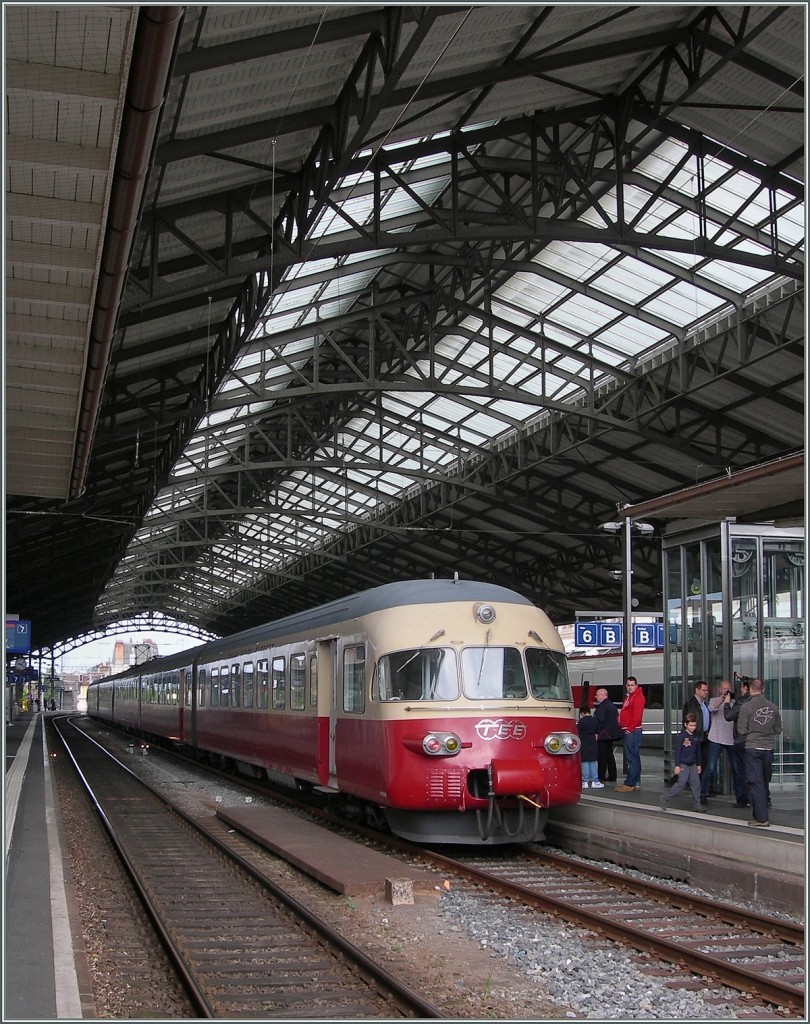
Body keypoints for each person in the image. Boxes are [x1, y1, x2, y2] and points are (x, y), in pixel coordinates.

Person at [736, 678, 782, 827]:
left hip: (753, 748)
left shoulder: (746, 707)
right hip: (768, 748)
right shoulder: (774, 707)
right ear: (763, 689)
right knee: (764, 782)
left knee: (755, 783)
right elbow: (778, 729)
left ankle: (762, 818)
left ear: (750, 689)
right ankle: (757, 815)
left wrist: (753, 729)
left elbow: (741, 730)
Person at [700, 679, 744, 805]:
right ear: (720, 690)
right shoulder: (714, 700)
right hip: (716, 738)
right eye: (724, 689)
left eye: (728, 689)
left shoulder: (735, 703)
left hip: (730, 739)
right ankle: (703, 794)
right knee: (710, 767)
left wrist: (729, 702)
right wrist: (723, 700)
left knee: (736, 769)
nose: (726, 691)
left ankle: (740, 796)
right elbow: (711, 709)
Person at [659, 713, 707, 813]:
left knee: (696, 784)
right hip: (684, 764)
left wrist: (698, 764)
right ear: (686, 725)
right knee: (681, 783)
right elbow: (678, 751)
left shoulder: (695, 737)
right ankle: (665, 797)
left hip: (693, 763)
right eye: (691, 725)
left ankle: (697, 804)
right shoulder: (681, 736)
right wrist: (677, 765)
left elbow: (698, 752)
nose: (693, 728)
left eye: (694, 725)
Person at [723, 678, 752, 806]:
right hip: (755, 741)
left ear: (746, 688)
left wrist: (727, 703)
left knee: (742, 771)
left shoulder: (742, 701)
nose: (740, 689)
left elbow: (729, 716)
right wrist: (742, 677)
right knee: (755, 770)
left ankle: (742, 798)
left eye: (742, 687)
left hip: (741, 740)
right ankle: (762, 798)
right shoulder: (760, 701)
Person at [615, 676, 645, 792]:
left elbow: (636, 716)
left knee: (631, 758)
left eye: (632, 685)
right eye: (628, 685)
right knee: (634, 757)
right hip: (631, 730)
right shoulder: (630, 697)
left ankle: (629, 783)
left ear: (636, 686)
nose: (630, 687)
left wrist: (629, 729)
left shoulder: (637, 698)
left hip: (632, 731)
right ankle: (636, 782)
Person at [682, 680, 710, 801]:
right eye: (704, 690)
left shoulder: (704, 704)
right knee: (697, 766)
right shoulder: (691, 704)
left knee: (704, 764)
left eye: (706, 690)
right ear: (697, 690)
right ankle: (698, 794)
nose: (706, 692)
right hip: (697, 738)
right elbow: (689, 723)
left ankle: (702, 792)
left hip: (704, 737)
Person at [593, 687, 621, 783]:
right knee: (610, 755)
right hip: (611, 735)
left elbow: (599, 721)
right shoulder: (612, 706)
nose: (595, 697)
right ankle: (613, 775)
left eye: (597, 695)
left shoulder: (602, 707)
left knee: (602, 756)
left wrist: (596, 732)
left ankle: (601, 776)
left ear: (602, 695)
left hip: (603, 735)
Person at [577, 705, 602, 789]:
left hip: (584, 742)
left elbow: (578, 732)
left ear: (582, 713)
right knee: (593, 762)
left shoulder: (581, 721)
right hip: (592, 742)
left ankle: (585, 782)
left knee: (585, 762)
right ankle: (595, 781)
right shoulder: (595, 720)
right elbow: (598, 731)